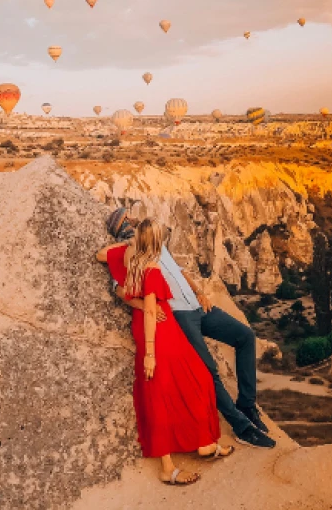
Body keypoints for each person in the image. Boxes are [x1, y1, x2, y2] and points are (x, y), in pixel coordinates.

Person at [101, 208, 276, 450]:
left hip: (197, 306)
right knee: (209, 369)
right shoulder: (127, 253)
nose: (133, 219)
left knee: (245, 336)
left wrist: (199, 291)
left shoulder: (156, 243)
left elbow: (179, 271)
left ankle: (246, 405)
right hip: (180, 315)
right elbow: (119, 288)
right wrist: (143, 304)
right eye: (127, 219)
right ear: (122, 228)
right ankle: (242, 428)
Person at [96, 218, 234, 486]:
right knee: (164, 388)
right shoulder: (151, 267)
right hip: (158, 331)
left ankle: (204, 443)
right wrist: (150, 353)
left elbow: (103, 259)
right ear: (158, 242)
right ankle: (167, 467)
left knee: (195, 378)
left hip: (159, 325)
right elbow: (150, 310)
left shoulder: (128, 256)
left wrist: (129, 244)